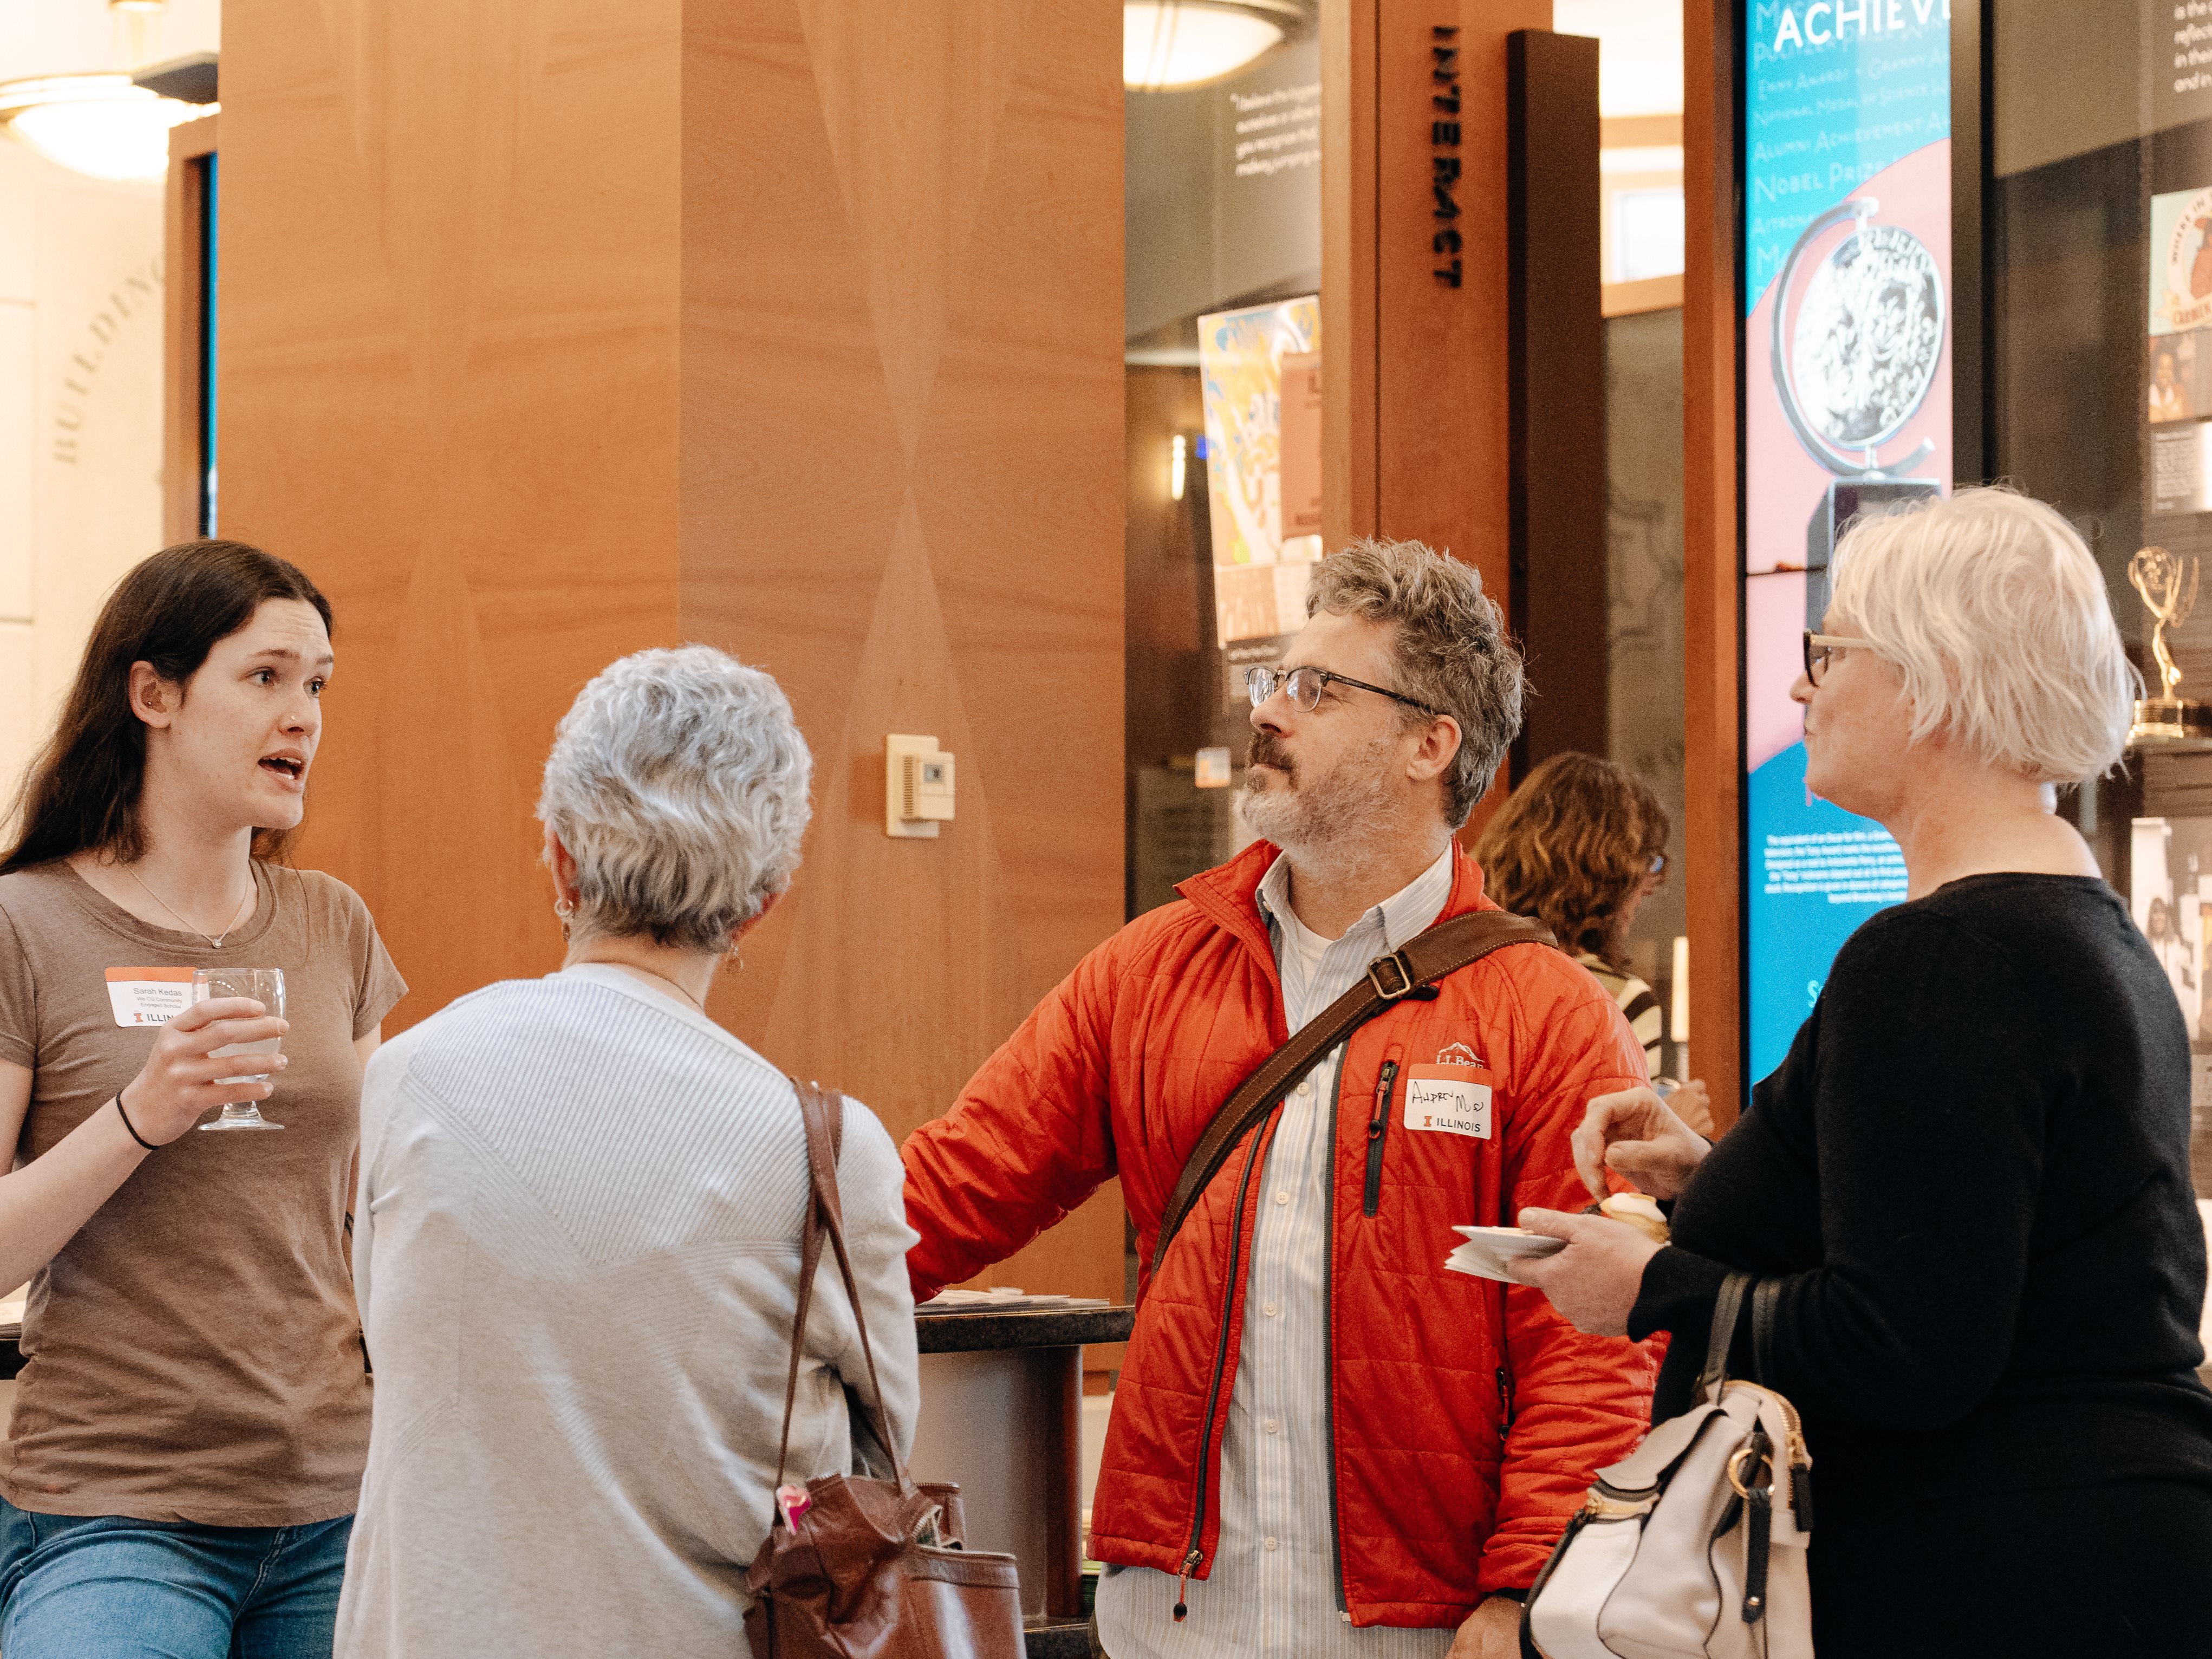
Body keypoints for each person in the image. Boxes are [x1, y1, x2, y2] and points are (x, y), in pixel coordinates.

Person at [902, 539, 1657, 1659]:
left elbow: (1588, 1342)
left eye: (1317, 688)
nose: (1271, 713)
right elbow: (953, 1184)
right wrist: (746, 1254)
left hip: (1425, 1625)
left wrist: (1527, 1589)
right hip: (1172, 1617)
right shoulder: (1151, 968)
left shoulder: (1543, 1013)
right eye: (1273, 682)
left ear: (1426, 744)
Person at [1513, 488, 2212, 1657]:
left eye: (1826, 651)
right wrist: (1714, 1175)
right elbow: (1983, 1239)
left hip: (1993, 1574)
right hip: (2093, 1558)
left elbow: (1906, 1346)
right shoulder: (2081, 929)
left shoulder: (1939, 953)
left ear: (1931, 675)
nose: (1800, 688)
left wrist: (1645, 1285)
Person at [334, 646, 919, 1658]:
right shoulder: (823, 1145)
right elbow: (882, 1452)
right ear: (759, 903)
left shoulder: (406, 1080)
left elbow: (386, 1345)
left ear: (559, 857)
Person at [0, 540, 406, 1657]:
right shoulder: (23, 925)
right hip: (114, 1511)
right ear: (154, 693)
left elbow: (382, 1206)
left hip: (340, 1497)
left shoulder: (333, 923)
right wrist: (140, 1115)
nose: (304, 715)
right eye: (267, 676)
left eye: (317, 683)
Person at [1470, 753, 1714, 1134]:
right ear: (1608, 871)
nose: (1651, 885)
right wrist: (1674, 1129)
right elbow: (1621, 1175)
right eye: (1647, 863)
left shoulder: (1461, 972)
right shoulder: (1621, 1003)